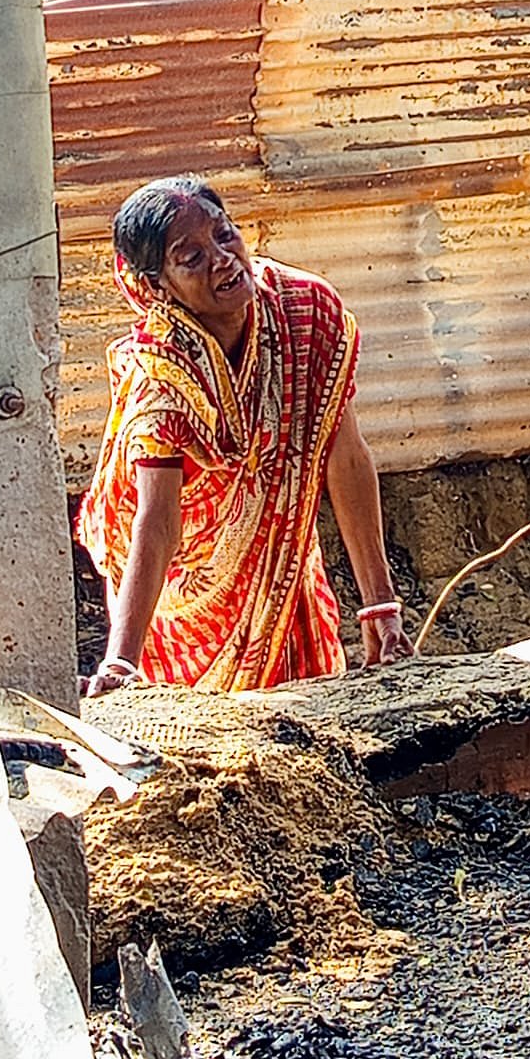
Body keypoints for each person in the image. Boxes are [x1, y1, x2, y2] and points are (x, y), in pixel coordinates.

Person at [76, 174, 412, 696]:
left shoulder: (305, 314)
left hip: (280, 578)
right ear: (155, 284)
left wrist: (381, 604)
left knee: (314, 734)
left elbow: (343, 455)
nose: (223, 259)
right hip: (179, 594)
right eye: (190, 257)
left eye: (225, 234)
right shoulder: (162, 377)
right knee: (199, 746)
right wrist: (121, 661)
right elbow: (157, 519)